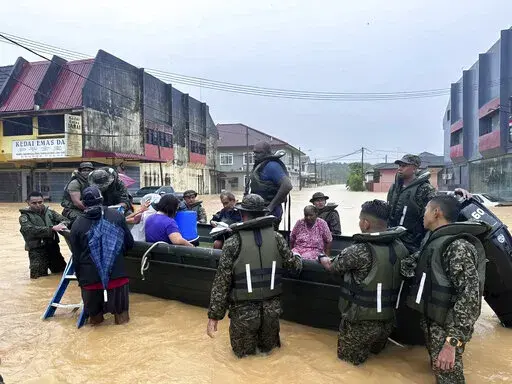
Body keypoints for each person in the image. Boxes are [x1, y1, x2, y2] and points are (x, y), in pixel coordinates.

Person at [403, 194, 489, 383]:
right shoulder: (435, 241)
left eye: (426, 210)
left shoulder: (458, 247)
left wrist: (451, 344)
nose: (423, 215)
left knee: (449, 379)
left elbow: (470, 297)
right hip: (434, 322)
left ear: (436, 213)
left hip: (447, 330)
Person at [206, 194, 302, 358]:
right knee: (270, 356)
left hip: (244, 314)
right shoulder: (277, 238)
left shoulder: (233, 242)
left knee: (243, 360)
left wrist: (214, 317)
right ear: (263, 214)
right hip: (271, 313)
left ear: (243, 214)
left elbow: (221, 283)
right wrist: (298, 256)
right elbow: (294, 267)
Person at [318, 200, 409, 365]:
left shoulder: (359, 250)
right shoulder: (400, 247)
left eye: (360, 219)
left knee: (348, 367)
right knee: (376, 364)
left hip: (360, 325)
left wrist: (322, 257)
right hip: (388, 322)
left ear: (366, 223)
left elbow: (332, 267)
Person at [70, 186, 134, 325]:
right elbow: (129, 243)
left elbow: (76, 256)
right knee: (122, 318)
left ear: (84, 203)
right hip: (116, 276)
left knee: (95, 321)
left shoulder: (77, 224)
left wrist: (82, 281)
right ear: (102, 199)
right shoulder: (117, 216)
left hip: (90, 279)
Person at [19, 191, 69, 279]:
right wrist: (52, 228)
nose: (38, 205)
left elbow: (66, 220)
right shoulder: (24, 217)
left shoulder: (50, 212)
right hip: (37, 251)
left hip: (53, 248)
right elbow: (29, 230)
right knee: (38, 279)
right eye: (34, 203)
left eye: (40, 202)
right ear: (28, 202)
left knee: (61, 273)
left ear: (43, 201)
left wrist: (61, 225)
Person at [247, 141, 292, 230]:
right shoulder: (260, 165)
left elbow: (287, 185)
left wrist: (270, 207)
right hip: (259, 211)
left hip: (270, 213)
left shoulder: (272, 166)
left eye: (258, 152)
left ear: (267, 153)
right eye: (254, 152)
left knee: (268, 240)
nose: (255, 155)